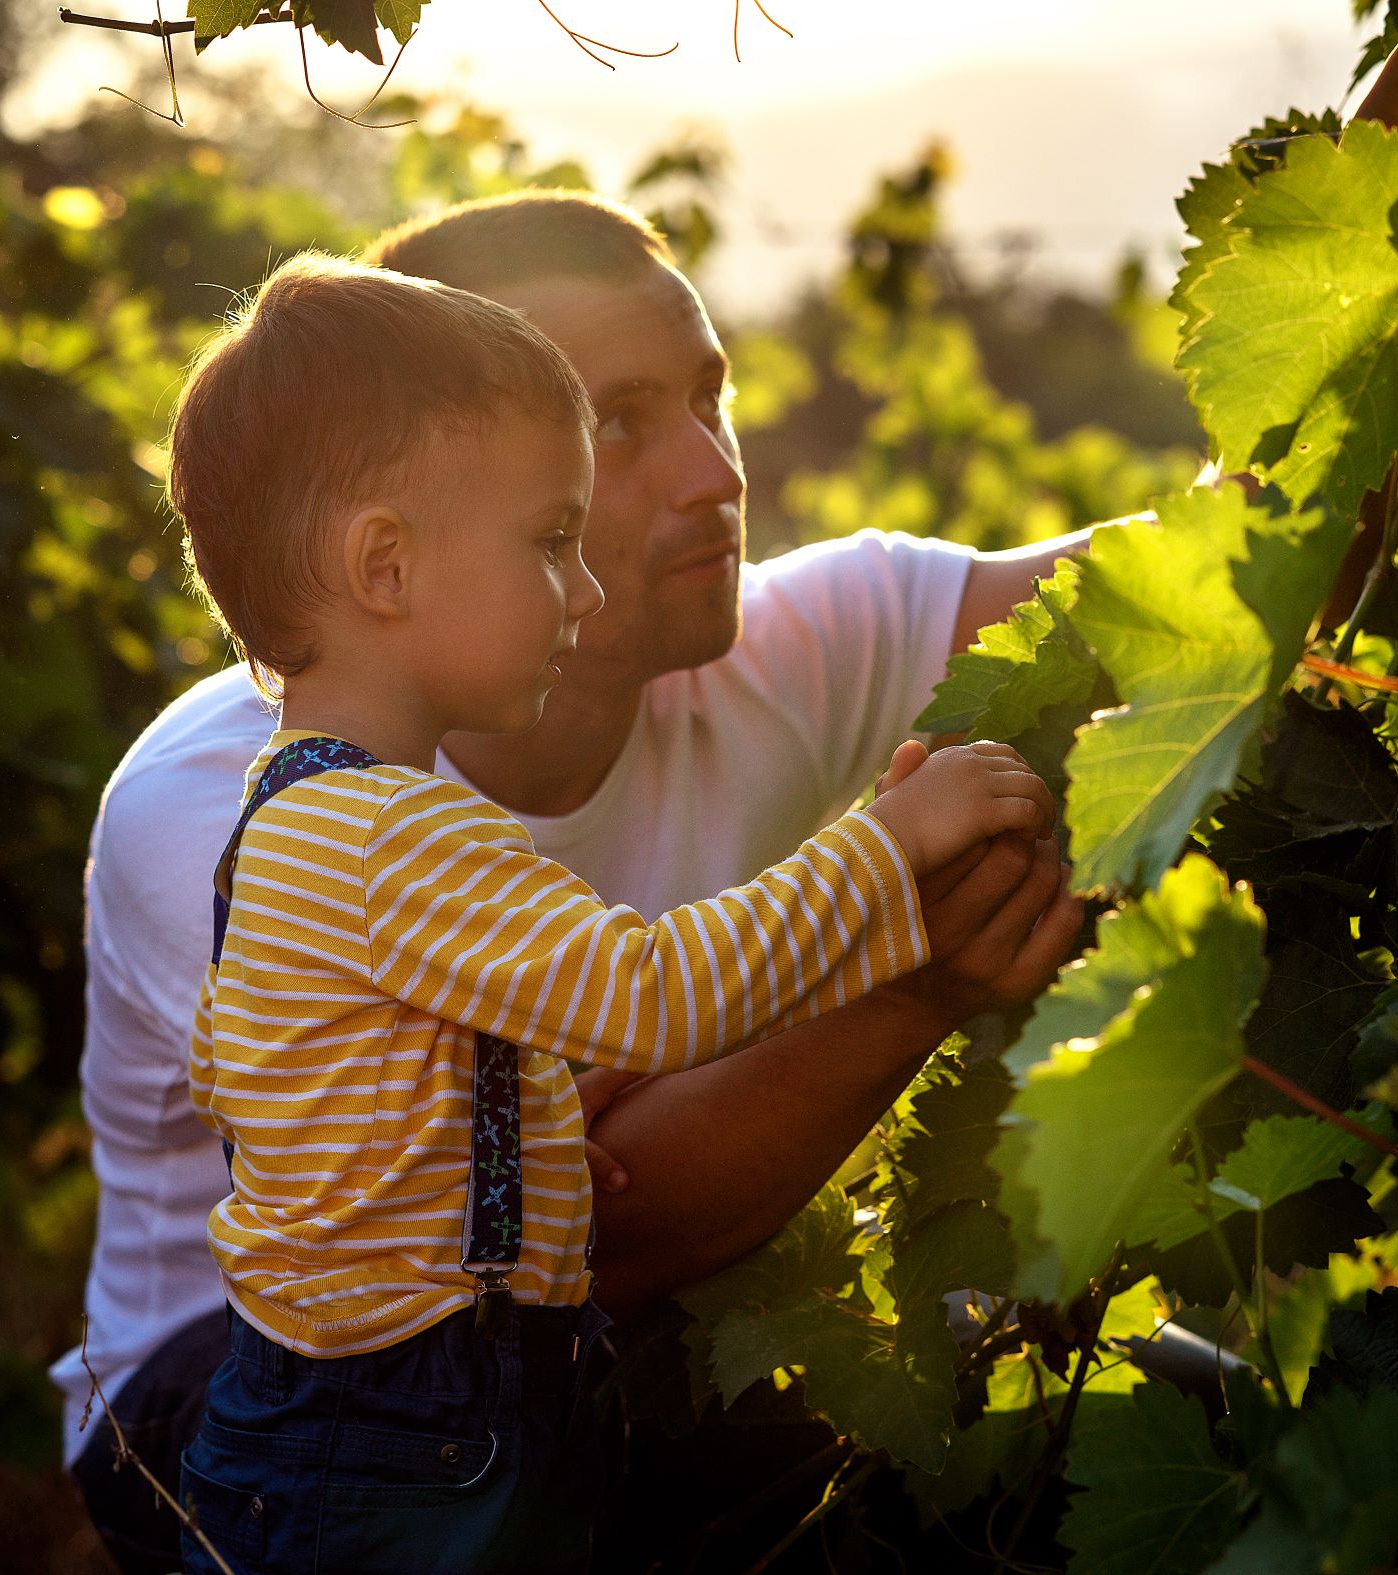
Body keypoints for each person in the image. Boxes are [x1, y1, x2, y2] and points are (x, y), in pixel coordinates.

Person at [56, 27, 1398, 1566]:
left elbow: (1216, 586)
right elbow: (605, 1235)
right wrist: (905, 973)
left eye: (712, 395)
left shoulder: (773, 631)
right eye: (610, 429)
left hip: (573, 1343)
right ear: (406, 522)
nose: (710, 473)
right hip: (258, 1411)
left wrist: (1373, 284)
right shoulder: (229, 807)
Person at [160, 252, 1052, 1574]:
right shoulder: (397, 837)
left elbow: (257, 1071)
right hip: (403, 1448)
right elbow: (653, 991)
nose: (582, 594)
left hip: (402, 1418)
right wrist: (891, 848)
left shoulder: (292, 815)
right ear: (386, 567)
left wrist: (512, 1111)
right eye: (551, 545)